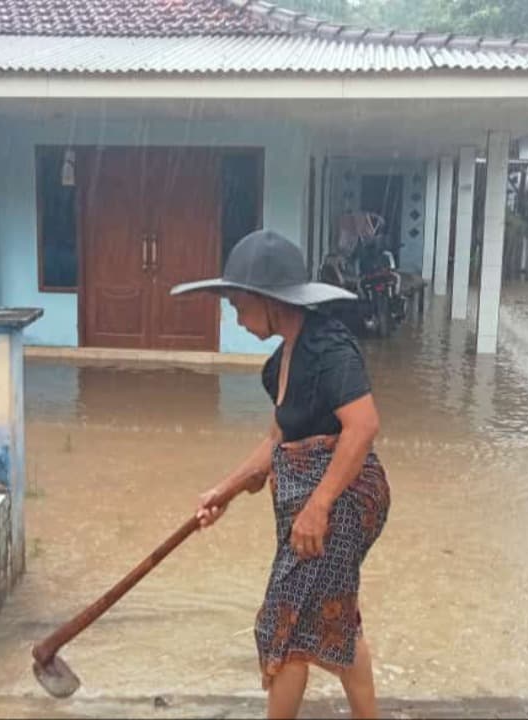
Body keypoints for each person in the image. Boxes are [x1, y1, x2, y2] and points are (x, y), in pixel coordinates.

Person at [171, 230, 391, 720]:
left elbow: (363, 427)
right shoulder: (280, 363)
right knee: (333, 618)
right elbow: (276, 443)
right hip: (311, 501)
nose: (235, 318)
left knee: (285, 619)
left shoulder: (328, 348)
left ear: (269, 302)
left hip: (343, 501)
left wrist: (318, 507)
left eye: (238, 306)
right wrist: (223, 491)